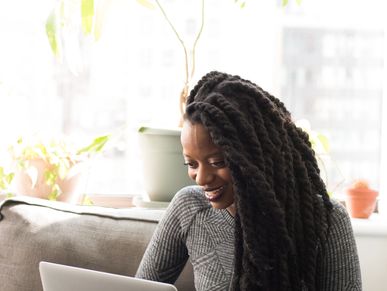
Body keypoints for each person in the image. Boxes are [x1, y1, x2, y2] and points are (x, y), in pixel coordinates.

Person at [135, 71, 362, 291]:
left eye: (217, 162)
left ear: (253, 157)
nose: (202, 178)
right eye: (191, 164)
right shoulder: (189, 208)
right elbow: (140, 287)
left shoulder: (328, 221)